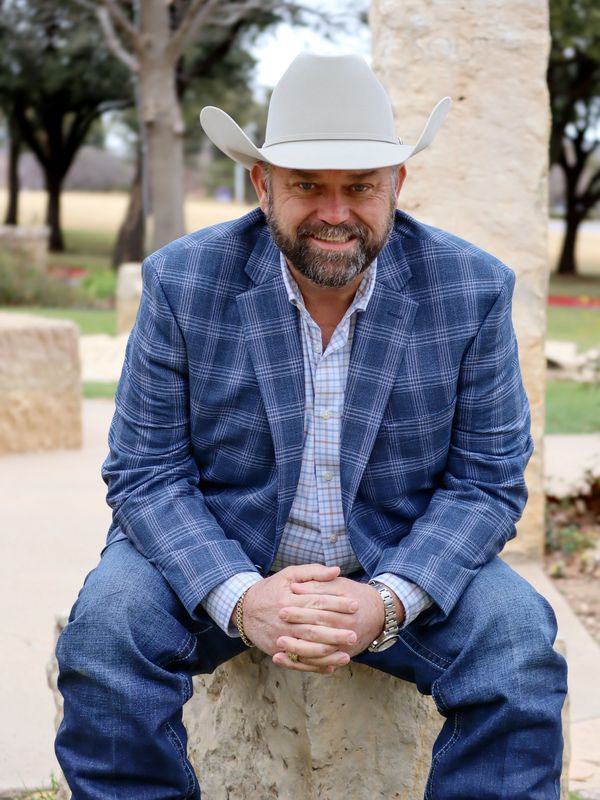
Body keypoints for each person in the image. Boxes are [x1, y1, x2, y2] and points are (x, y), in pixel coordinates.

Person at [55, 53, 567, 799]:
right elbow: (146, 473)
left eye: (359, 186)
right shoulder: (183, 281)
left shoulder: (473, 289)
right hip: (219, 554)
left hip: (398, 555)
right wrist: (240, 596)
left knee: (517, 644)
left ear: (396, 185)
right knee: (107, 631)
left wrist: (386, 600)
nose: (334, 212)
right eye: (306, 186)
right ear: (263, 185)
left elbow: (486, 483)